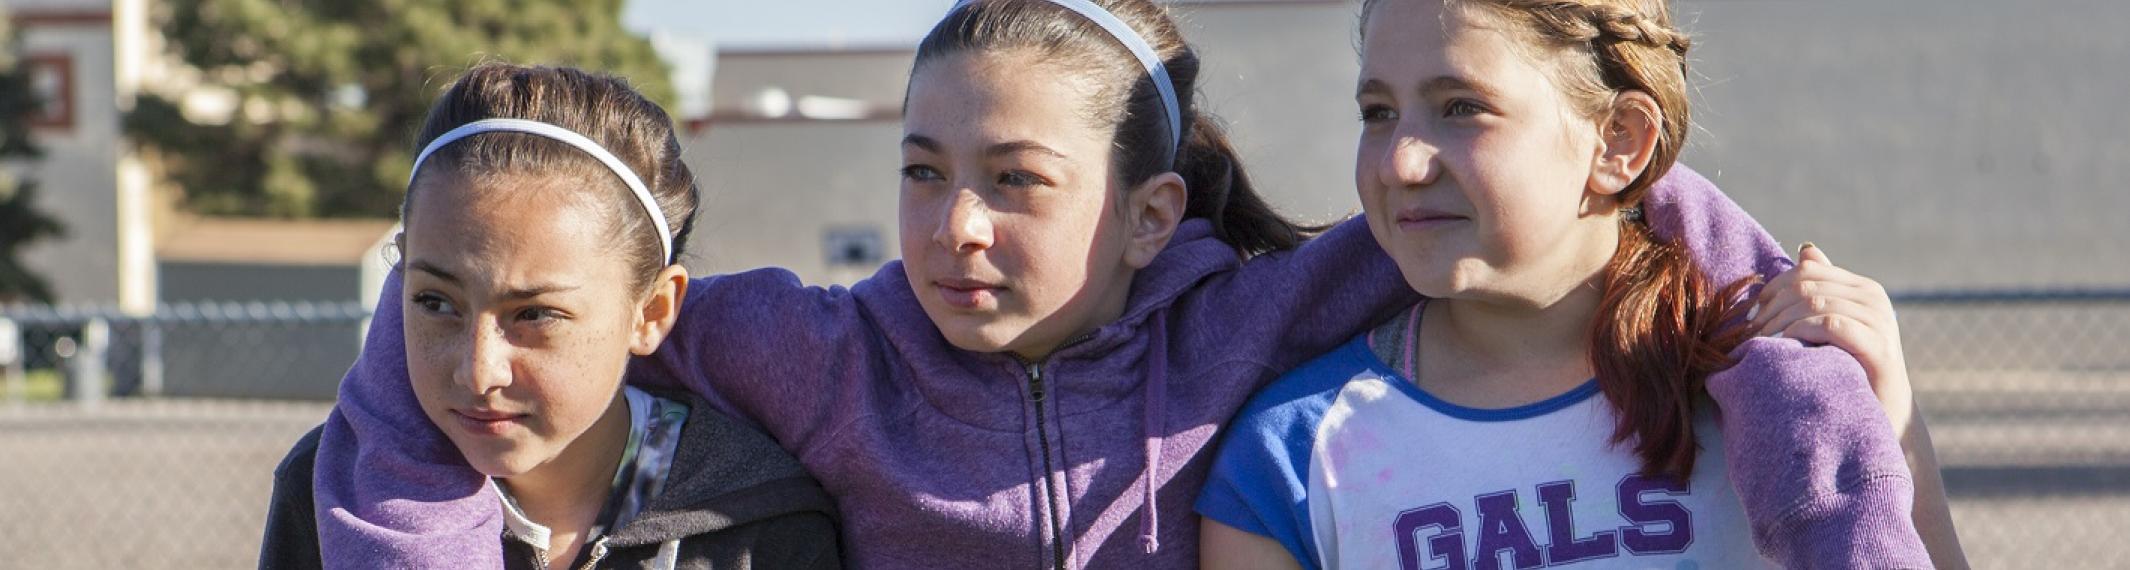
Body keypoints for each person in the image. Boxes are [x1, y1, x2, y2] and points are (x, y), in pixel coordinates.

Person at [305, 2, 1920, 568]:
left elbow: (1624, 188)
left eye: (1017, 181)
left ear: (1151, 214)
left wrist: (1796, 345)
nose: (956, 228)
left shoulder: (1259, 321)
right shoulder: (807, 348)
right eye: (923, 174)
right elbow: (475, 299)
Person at [1194, 0, 1962, 567]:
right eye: (1378, 112)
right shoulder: (1287, 460)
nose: (1400, 162)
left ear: (1620, 142)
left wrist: (1890, 417)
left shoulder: (1770, 400)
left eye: (1461, 107)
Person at [258, 64, 841, 569]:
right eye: (436, 302)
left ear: (652, 311)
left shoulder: (761, 524)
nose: (478, 371)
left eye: (535, 314)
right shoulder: (329, 493)